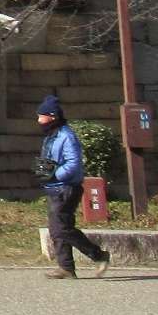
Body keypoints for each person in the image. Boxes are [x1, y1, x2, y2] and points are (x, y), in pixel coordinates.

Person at [38, 95, 111, 279]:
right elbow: (51, 160)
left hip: (67, 188)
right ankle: (66, 268)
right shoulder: (51, 137)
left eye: (41, 116)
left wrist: (55, 174)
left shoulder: (66, 136)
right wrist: (43, 170)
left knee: (60, 229)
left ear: (52, 116)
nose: (38, 120)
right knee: (58, 229)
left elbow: (73, 163)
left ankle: (98, 255)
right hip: (54, 187)